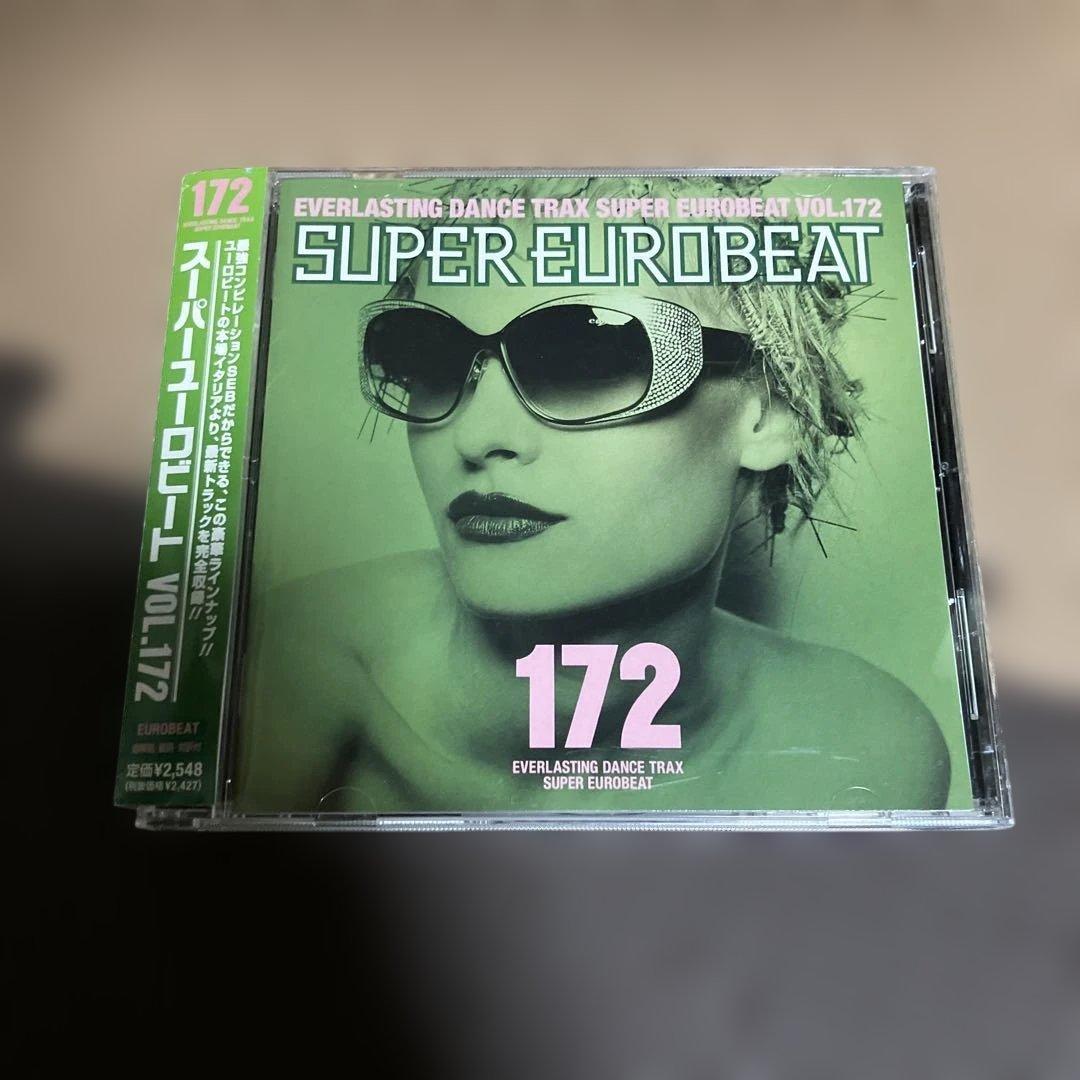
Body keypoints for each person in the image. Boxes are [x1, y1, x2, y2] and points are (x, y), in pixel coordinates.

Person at [236, 177, 950, 815]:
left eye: (585, 359)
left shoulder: (867, 746)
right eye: (431, 359)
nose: (476, 436)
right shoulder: (295, 665)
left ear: (770, 414)